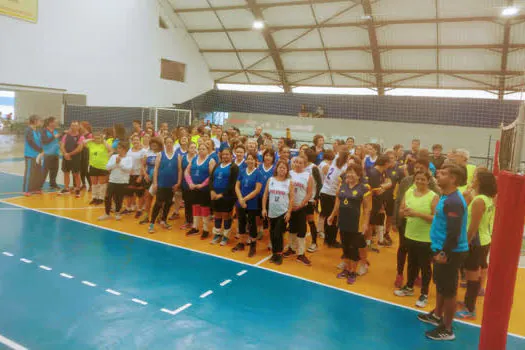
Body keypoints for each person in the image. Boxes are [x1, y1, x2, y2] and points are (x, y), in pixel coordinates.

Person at [417, 164, 469, 341]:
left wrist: (444, 253)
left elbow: (453, 232)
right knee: (440, 285)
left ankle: (447, 329)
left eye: (444, 173)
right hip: (440, 248)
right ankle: (437, 315)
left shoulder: (453, 201)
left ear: (453, 179)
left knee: (449, 291)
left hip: (450, 252)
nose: (438, 174)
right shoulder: (445, 196)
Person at [394, 171, 439, 308]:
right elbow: (401, 210)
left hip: (425, 238)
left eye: (423, 179)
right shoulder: (409, 192)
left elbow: (436, 219)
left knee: (425, 266)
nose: (420, 181)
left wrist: (416, 214)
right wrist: (403, 213)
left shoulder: (433, 196)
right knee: (412, 263)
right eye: (417, 179)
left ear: (428, 181)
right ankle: (409, 287)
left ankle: (424, 293)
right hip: (410, 234)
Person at [456, 170, 497, 319]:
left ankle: (470, 308)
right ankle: (468, 302)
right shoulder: (487, 198)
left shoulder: (479, 200)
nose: (472, 179)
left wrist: (465, 242)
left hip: (476, 241)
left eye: (474, 178)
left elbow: (474, 226)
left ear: (480, 181)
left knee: (471, 276)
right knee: (475, 273)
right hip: (484, 240)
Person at [328, 163, 371, 284]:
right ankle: (346, 269)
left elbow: (367, 209)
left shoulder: (364, 189)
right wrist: (332, 215)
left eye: (354, 172)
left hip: (356, 225)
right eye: (349, 172)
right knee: (345, 247)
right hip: (343, 222)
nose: (350, 174)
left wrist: (365, 224)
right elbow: (338, 204)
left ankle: (353, 272)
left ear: (359, 175)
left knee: (353, 249)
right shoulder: (342, 186)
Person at [282, 155, 314, 265]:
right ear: (293, 163)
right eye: (296, 162)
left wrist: (301, 204)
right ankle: (291, 248)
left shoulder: (308, 176)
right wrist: (288, 205)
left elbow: (309, 193)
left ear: (304, 164)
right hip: (290, 206)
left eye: (301, 163)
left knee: (302, 229)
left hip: (301, 207)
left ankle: (301, 254)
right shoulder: (289, 174)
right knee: (291, 228)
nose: (298, 164)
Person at [262, 160, 294, 265]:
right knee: (272, 233)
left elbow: (292, 199)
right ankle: (274, 253)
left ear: (287, 170)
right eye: (280, 167)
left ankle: (279, 254)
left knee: (278, 234)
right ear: (277, 168)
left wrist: (289, 212)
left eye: (284, 168)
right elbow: (265, 195)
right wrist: (264, 208)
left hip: (283, 212)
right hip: (272, 211)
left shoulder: (289, 182)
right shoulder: (271, 180)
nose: (282, 169)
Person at [149, 136, 182, 233]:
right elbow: (156, 169)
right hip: (161, 184)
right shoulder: (160, 154)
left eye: (170, 142)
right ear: (165, 144)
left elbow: (180, 170)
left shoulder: (178, 156)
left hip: (171, 185)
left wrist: (178, 182)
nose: (169, 144)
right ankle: (152, 224)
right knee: (158, 203)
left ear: (173, 143)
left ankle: (163, 221)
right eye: (167, 142)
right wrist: (155, 182)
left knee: (168, 203)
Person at [232, 152, 263, 257]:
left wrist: (244, 199)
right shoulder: (242, 171)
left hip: (252, 203)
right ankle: (241, 243)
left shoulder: (258, 173)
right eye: (248, 159)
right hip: (241, 201)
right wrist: (240, 199)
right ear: (246, 160)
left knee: (252, 223)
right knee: (241, 221)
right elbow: (237, 186)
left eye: (252, 159)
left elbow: (257, 190)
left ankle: (253, 245)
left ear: (255, 161)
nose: (250, 161)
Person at [185, 143, 216, 238]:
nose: (201, 150)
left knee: (204, 209)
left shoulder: (211, 160)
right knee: (195, 207)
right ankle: (195, 227)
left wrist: (202, 185)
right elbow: (186, 171)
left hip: (205, 190)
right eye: (200, 149)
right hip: (194, 188)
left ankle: (206, 230)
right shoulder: (194, 159)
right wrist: (190, 183)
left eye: (204, 149)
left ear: (207, 150)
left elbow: (212, 176)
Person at [210, 148, 239, 246]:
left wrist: (222, 195)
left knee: (226, 215)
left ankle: (226, 236)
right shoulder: (217, 165)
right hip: (215, 195)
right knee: (217, 215)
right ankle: (217, 234)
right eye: (223, 154)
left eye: (227, 154)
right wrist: (212, 191)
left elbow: (232, 184)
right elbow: (211, 179)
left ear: (231, 156)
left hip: (227, 196)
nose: (225, 156)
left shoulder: (234, 167)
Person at [320, 150, 349, 248]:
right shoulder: (344, 167)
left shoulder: (335, 161)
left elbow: (339, 153)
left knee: (327, 216)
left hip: (324, 191)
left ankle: (327, 239)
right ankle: (331, 241)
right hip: (332, 194)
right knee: (334, 217)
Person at [98, 142, 132, 221]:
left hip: (122, 181)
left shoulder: (129, 158)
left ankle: (117, 212)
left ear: (125, 149)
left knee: (119, 198)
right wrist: (115, 163)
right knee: (107, 197)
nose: (118, 150)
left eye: (120, 148)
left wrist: (119, 164)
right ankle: (107, 214)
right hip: (112, 180)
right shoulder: (113, 157)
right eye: (118, 148)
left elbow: (128, 169)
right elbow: (108, 167)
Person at [139, 137, 163, 224]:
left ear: (159, 144)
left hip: (159, 179)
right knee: (148, 197)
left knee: (160, 198)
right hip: (148, 179)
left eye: (155, 143)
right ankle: (146, 216)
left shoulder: (162, 153)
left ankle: (160, 216)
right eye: (152, 143)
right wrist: (145, 175)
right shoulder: (147, 153)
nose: (153, 144)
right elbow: (142, 165)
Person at [122, 135, 147, 217]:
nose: (135, 141)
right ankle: (128, 208)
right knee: (129, 193)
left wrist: (140, 176)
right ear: (131, 141)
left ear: (140, 141)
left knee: (140, 193)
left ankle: (139, 209)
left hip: (138, 175)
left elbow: (144, 164)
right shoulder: (129, 150)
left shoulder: (143, 151)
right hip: (130, 175)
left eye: (137, 140)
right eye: (134, 140)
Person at [84, 132, 111, 205]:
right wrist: (91, 139)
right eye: (95, 138)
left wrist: (103, 140)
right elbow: (83, 142)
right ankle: (94, 197)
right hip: (93, 166)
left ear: (101, 138)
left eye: (98, 138)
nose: (97, 139)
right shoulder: (91, 144)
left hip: (103, 167)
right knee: (94, 183)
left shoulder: (104, 144)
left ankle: (101, 198)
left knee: (102, 184)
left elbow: (110, 149)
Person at [304, 149, 323, 253]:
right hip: (300, 198)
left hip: (310, 199)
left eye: (304, 154)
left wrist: (316, 198)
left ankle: (314, 243)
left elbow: (319, 184)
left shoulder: (314, 168)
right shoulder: (301, 166)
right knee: (301, 221)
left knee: (310, 221)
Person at [59, 121, 84, 197]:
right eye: (72, 125)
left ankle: (77, 189)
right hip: (66, 157)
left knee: (76, 174)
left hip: (75, 157)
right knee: (66, 173)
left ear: (78, 127)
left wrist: (69, 154)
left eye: (75, 126)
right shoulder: (66, 136)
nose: (74, 127)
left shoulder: (81, 137)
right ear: (70, 126)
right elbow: (62, 146)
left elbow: (79, 148)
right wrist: (65, 154)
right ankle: (66, 188)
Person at [23, 115, 43, 196]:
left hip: (38, 156)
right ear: (34, 121)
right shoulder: (28, 130)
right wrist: (40, 149)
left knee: (37, 172)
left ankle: (35, 188)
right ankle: (26, 190)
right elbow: (30, 141)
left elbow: (40, 141)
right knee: (29, 172)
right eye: (39, 120)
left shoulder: (37, 131)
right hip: (30, 155)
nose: (40, 122)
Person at [40, 116, 61, 190]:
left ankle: (53, 184)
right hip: (47, 154)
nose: (56, 123)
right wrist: (54, 137)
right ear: (50, 123)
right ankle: (39, 185)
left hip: (55, 153)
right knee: (44, 170)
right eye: (55, 122)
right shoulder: (44, 131)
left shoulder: (55, 131)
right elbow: (44, 141)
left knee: (54, 169)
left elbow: (57, 141)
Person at [180, 142, 197, 229]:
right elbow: (180, 170)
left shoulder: (198, 158)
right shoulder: (183, 158)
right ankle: (188, 221)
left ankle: (194, 222)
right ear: (188, 149)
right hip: (185, 184)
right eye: (191, 147)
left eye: (195, 147)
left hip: (194, 184)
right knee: (187, 203)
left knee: (194, 203)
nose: (193, 149)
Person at [79, 121, 93, 191]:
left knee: (85, 170)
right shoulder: (80, 134)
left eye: (80, 126)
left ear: (84, 127)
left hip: (86, 153)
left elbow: (88, 145)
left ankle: (91, 185)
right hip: (80, 153)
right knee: (81, 170)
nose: (79, 127)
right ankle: (83, 184)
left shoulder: (90, 135)